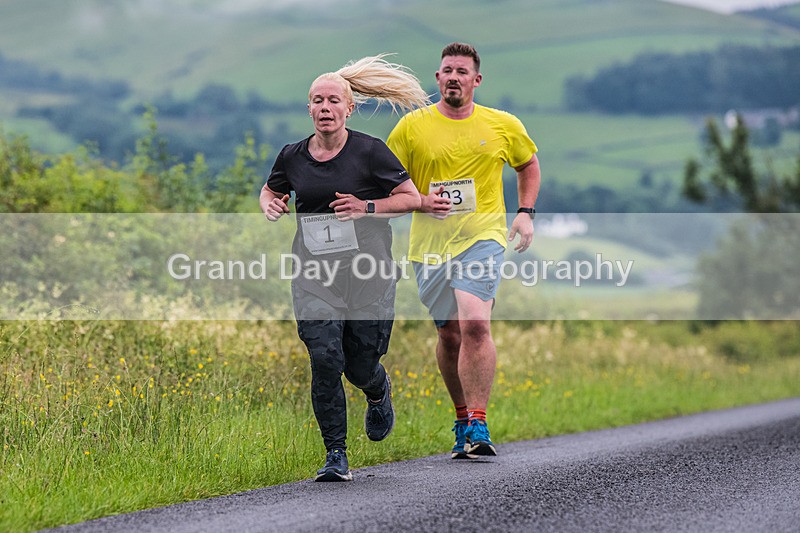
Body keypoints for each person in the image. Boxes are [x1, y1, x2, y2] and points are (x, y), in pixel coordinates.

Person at [260, 55, 428, 481]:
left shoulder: (371, 152)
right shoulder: (293, 156)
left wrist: (366, 206)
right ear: (310, 108)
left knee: (358, 365)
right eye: (317, 101)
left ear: (348, 108)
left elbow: (410, 198)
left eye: (333, 100)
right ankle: (336, 454)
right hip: (315, 276)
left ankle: (377, 390)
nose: (325, 108)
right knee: (325, 357)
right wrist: (272, 204)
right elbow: (270, 189)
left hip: (368, 274)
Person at [387, 42, 540, 459]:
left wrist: (525, 212)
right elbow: (386, 178)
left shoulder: (503, 124)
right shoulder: (411, 127)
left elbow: (527, 164)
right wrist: (417, 199)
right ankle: (460, 418)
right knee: (449, 333)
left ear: (476, 80)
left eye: (461, 71)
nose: (453, 77)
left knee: (475, 324)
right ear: (436, 78)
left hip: (483, 237)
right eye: (446, 70)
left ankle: (478, 419)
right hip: (430, 246)